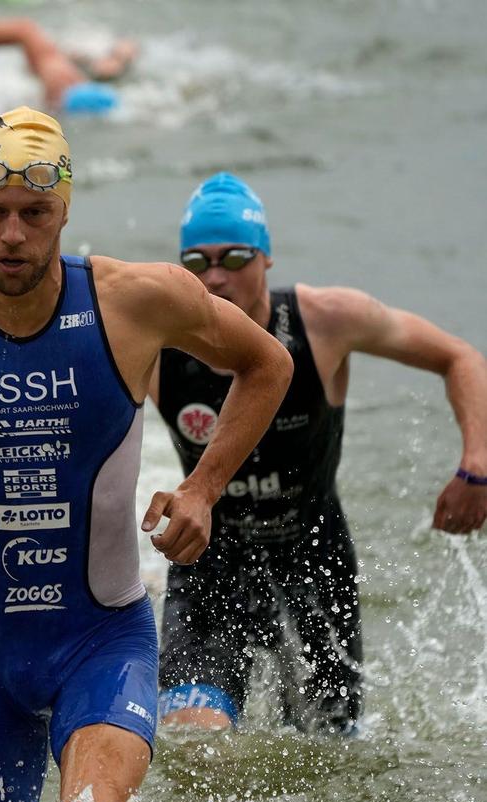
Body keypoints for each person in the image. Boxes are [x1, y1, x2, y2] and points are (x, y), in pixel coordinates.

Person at [0, 109, 293, 802]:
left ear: (64, 208)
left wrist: (202, 489)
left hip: (105, 638)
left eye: (35, 213)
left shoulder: (134, 300)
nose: (13, 234)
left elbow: (267, 362)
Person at [154, 173, 487, 733]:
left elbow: (459, 357)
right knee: (194, 744)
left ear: (266, 259)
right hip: (211, 563)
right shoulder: (158, 344)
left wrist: (476, 463)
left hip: (315, 560)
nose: (214, 275)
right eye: (196, 260)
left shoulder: (327, 321)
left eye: (234, 256)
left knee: (328, 754)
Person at [0, 18, 137, 116]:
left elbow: (22, 30)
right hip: (72, 105)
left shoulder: (61, 76)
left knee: (26, 30)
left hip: (67, 95)